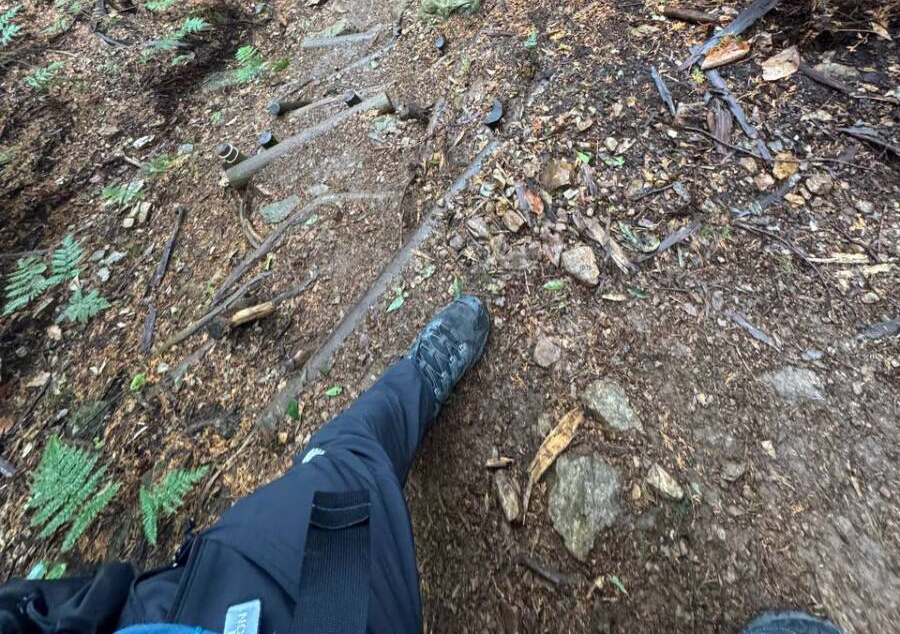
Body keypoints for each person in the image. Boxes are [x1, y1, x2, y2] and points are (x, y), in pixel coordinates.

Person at [0, 296, 846, 634]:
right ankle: (419, 383)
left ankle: (423, 378)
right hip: (272, 610)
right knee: (346, 470)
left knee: (347, 470)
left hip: (209, 603)